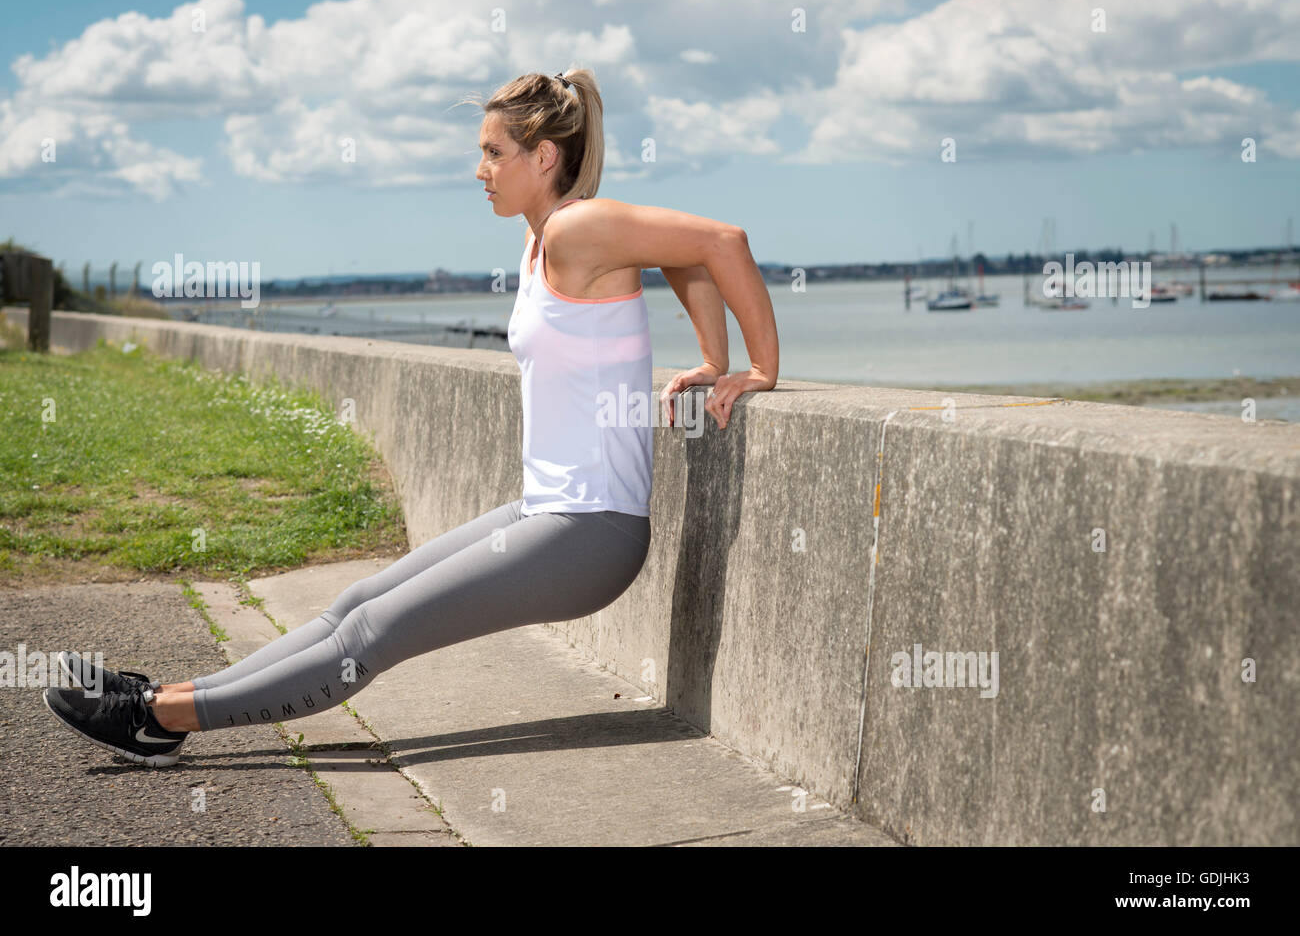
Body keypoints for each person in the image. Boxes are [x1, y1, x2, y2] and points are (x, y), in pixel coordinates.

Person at [43, 68, 780, 767]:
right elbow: (683, 255)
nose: (480, 169)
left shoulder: (576, 228)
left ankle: (157, 719)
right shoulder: (540, 239)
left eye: (494, 152)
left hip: (592, 531)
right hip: (546, 510)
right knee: (356, 600)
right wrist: (711, 359)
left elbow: (720, 243)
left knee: (372, 633)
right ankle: (167, 693)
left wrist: (755, 366)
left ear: (543, 154)